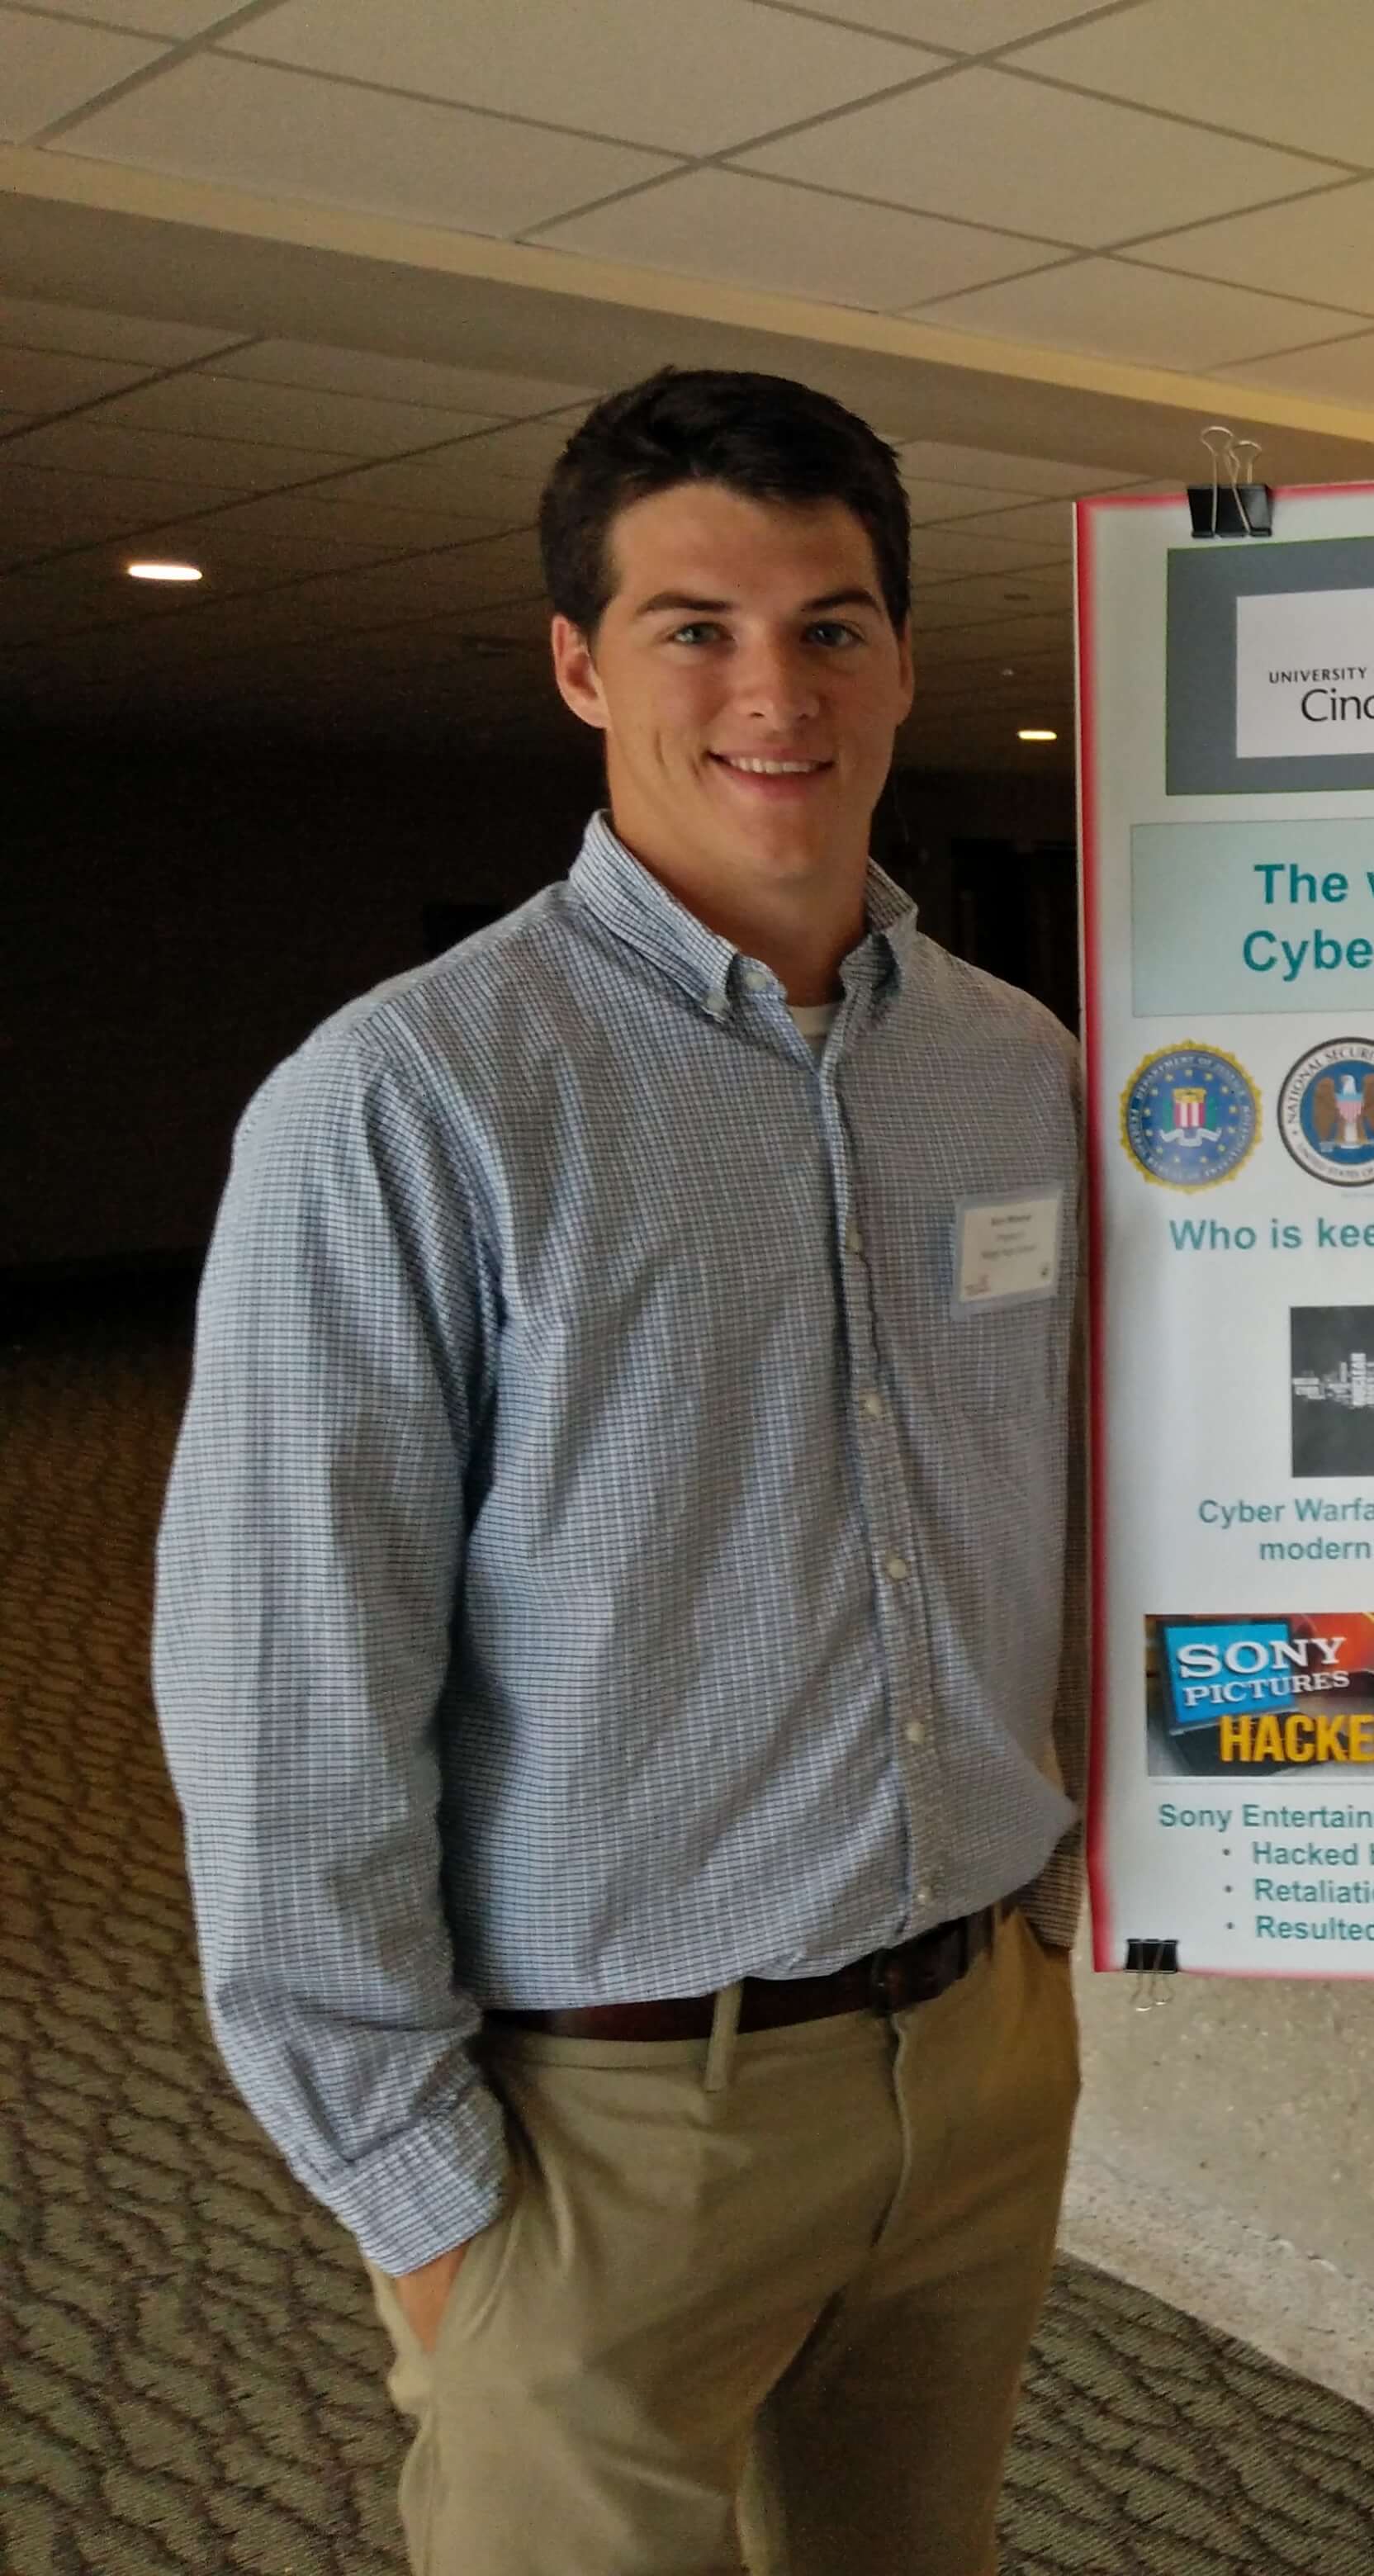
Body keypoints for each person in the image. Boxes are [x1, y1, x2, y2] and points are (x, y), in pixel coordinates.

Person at [154, 367, 1087, 2575]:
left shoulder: (1016, 1071)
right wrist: (417, 2201)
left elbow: (1054, 1513)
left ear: (903, 660)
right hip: (605, 2123)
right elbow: (290, 1695)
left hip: (977, 2066)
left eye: (831, 626)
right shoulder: (410, 1097)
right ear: (581, 667)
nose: (777, 692)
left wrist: (1038, 1937)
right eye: (696, 629)